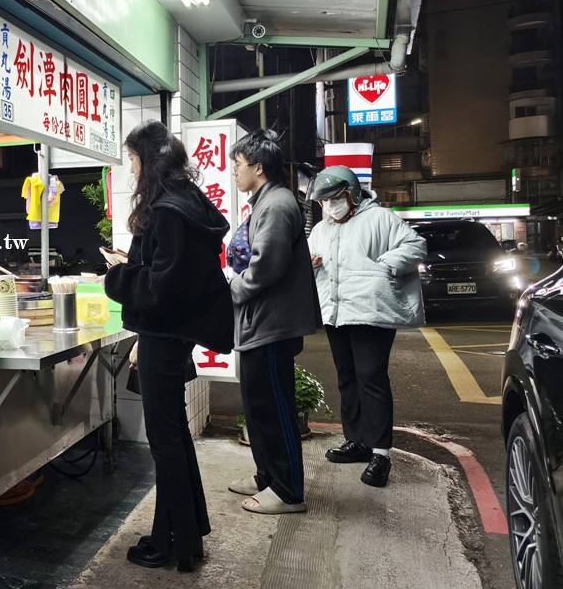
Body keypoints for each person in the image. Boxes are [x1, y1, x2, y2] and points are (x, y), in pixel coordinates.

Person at [103, 120, 233, 573]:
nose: (131, 169)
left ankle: (175, 545)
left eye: (133, 160)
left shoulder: (169, 209)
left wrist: (117, 277)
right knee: (173, 435)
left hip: (164, 335)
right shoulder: (187, 200)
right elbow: (170, 272)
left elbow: (164, 285)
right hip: (174, 335)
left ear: (149, 161)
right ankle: (183, 535)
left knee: (165, 440)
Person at [307, 165, 426, 487]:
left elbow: (415, 246)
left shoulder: (380, 219)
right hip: (336, 312)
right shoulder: (322, 229)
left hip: (372, 311)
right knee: (347, 377)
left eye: (334, 199)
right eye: (323, 202)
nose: (329, 206)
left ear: (352, 194)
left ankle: (380, 453)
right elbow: (313, 258)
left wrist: (385, 267)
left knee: (371, 378)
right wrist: (311, 263)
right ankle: (357, 441)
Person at [227, 129, 321, 515]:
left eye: (238, 164)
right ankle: (267, 475)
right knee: (257, 406)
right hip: (259, 323)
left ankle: (288, 491)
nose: (234, 171)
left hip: (270, 324)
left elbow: (266, 266)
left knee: (275, 407)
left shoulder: (278, 204)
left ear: (258, 167)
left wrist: (231, 289)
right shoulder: (267, 201)